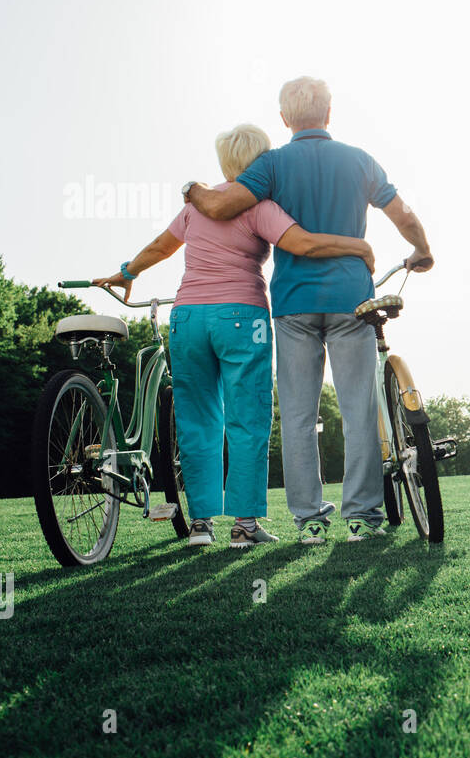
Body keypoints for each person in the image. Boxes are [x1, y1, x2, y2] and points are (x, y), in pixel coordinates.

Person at [94, 123, 376, 549]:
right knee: (247, 419)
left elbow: (159, 246)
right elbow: (302, 244)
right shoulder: (260, 206)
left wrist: (126, 273)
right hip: (242, 317)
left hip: (186, 318)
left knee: (196, 420)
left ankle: (201, 526)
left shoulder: (195, 208)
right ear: (261, 161)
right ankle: (244, 525)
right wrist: (357, 247)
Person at [185, 76, 433, 545]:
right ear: (329, 111)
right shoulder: (360, 160)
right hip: (352, 301)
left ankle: (309, 522)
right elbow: (402, 214)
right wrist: (421, 249)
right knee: (359, 409)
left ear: (284, 119)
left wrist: (192, 191)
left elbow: (221, 206)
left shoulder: (271, 164)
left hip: (293, 304)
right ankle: (361, 517)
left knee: (299, 415)